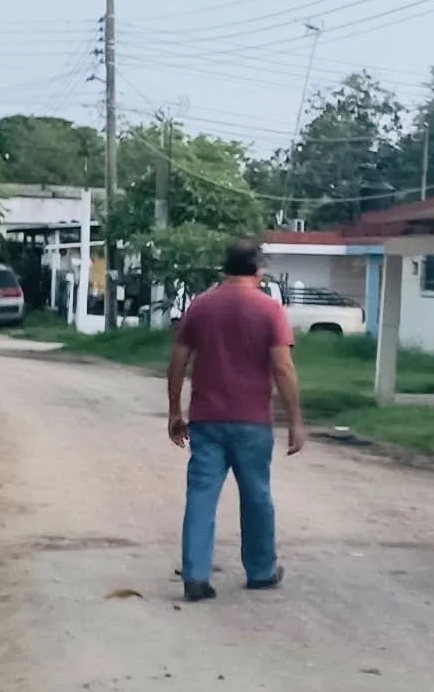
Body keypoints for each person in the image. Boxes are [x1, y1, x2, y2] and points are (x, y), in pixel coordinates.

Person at [166, 237, 306, 603]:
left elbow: (178, 359)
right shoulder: (269, 310)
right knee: (257, 496)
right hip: (252, 422)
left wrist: (174, 410)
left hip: (206, 420)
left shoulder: (201, 305)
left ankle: (195, 576)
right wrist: (295, 420)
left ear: (224, 268)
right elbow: (283, 367)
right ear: (258, 269)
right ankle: (260, 571)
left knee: (200, 496)